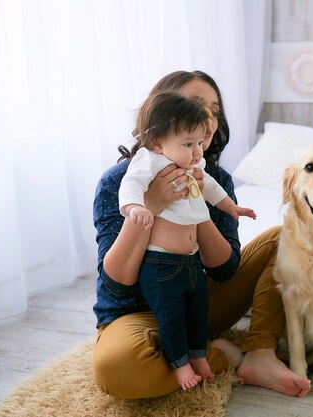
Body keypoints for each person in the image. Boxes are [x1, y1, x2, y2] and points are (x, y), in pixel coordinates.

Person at [92, 70, 311, 398]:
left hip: (197, 298)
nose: (208, 118)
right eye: (196, 105)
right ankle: (224, 355)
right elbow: (117, 282)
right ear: (161, 119)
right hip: (136, 312)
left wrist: (195, 208)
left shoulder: (214, 178)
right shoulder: (120, 181)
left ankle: (261, 353)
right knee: (118, 369)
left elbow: (224, 270)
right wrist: (151, 205)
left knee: (284, 235)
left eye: (215, 109)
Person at [118, 90, 256, 390]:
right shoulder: (150, 161)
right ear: (158, 142)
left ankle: (199, 355)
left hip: (191, 262)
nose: (197, 152)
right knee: (172, 318)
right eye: (188, 144)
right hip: (160, 263)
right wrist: (136, 208)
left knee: (197, 313)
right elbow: (130, 185)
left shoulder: (194, 165)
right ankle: (180, 365)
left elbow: (213, 189)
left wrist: (231, 208)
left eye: (198, 143)